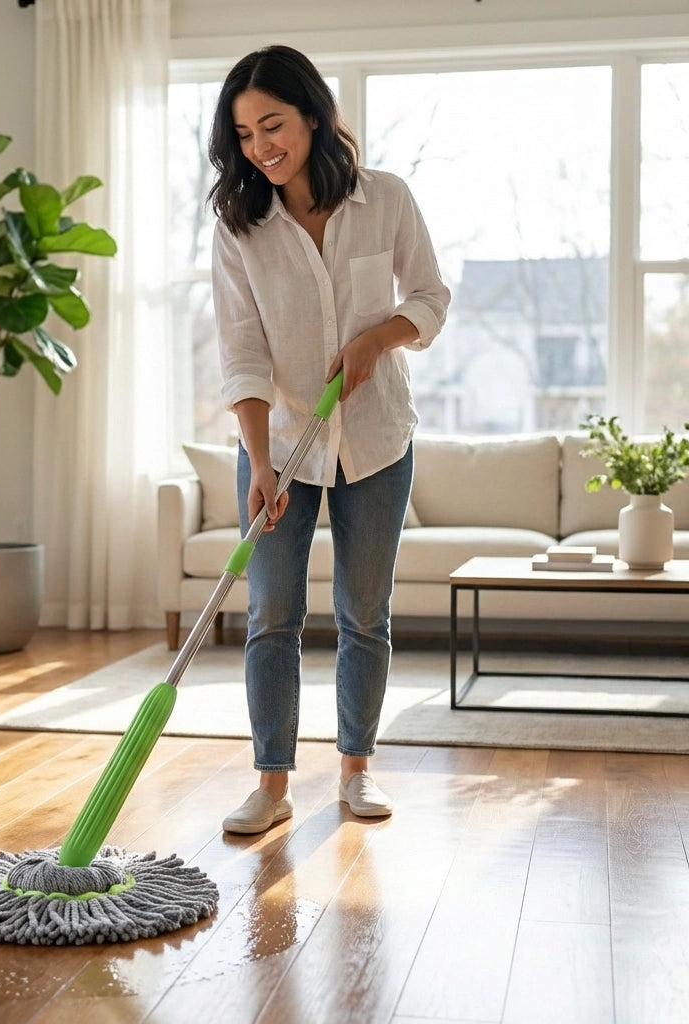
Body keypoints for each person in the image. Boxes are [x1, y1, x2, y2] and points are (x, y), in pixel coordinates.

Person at [208, 45, 450, 834]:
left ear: (312, 114)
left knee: (362, 612)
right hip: (278, 442)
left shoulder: (387, 199)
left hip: (376, 440)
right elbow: (242, 348)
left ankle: (356, 770)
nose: (260, 147)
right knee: (272, 613)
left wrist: (379, 339)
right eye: (243, 134)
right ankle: (272, 786)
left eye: (271, 124)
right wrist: (259, 461)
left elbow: (429, 296)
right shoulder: (239, 225)